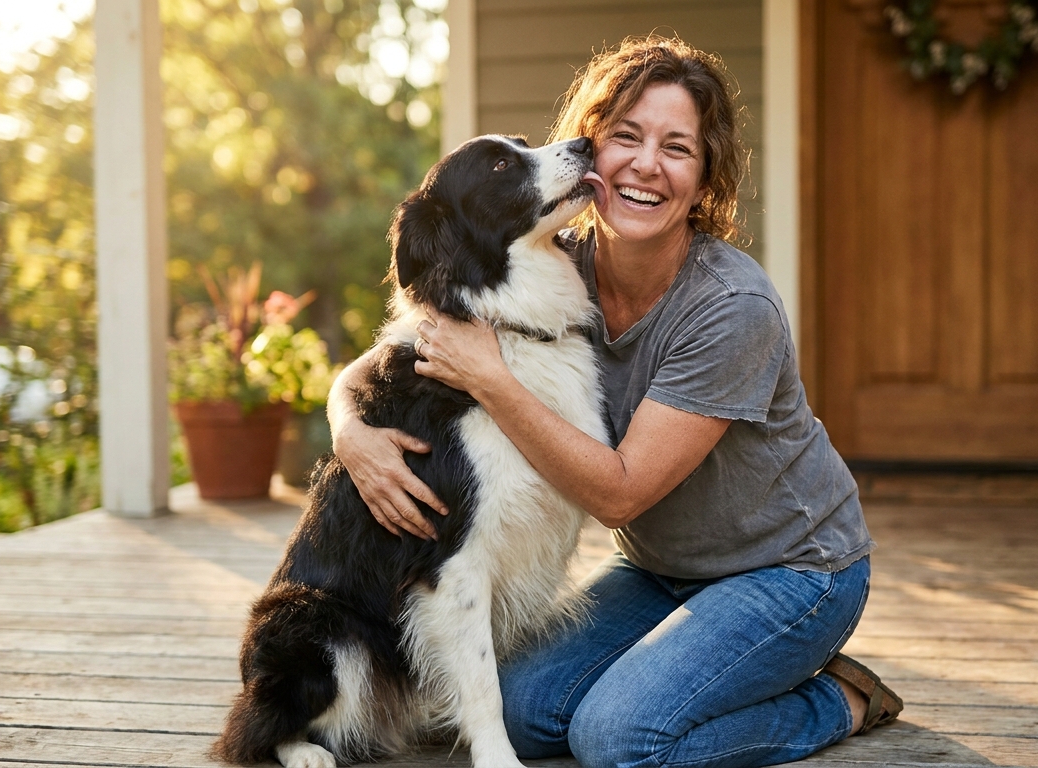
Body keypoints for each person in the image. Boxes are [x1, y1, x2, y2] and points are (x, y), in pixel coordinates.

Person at [327, 35, 903, 768]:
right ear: (591, 150)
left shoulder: (731, 308)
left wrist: (493, 381)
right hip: (662, 571)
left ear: (705, 178)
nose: (646, 165)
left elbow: (621, 493)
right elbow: (378, 362)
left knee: (619, 739)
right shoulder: (549, 269)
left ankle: (835, 701)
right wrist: (350, 431)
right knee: (528, 715)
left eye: (677, 148)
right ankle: (699, 674)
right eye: (626, 137)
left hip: (792, 570)